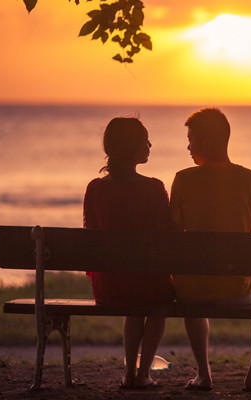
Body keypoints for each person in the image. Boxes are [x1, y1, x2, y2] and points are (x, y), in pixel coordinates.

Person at [170, 108, 251, 392]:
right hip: (238, 289)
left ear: (207, 142)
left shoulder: (183, 179)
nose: (188, 146)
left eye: (191, 139)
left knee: (195, 290)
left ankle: (203, 375)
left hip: (190, 290)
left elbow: (173, 238)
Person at [83, 117, 175, 389]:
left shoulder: (96, 188)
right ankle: (143, 373)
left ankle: (128, 373)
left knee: (133, 299)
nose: (149, 145)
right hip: (149, 284)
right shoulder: (153, 188)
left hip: (110, 286)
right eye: (144, 141)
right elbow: (167, 237)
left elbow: (91, 236)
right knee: (158, 306)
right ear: (131, 147)